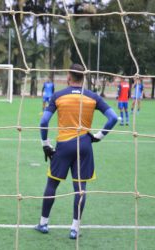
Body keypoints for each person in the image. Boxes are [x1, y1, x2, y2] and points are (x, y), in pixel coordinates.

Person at [36, 63, 118, 239]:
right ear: (84, 77)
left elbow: (43, 122)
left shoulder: (58, 96)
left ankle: (43, 223)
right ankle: (74, 229)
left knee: (52, 185)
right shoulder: (93, 97)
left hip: (64, 146)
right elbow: (113, 118)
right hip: (85, 145)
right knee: (80, 188)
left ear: (68, 76)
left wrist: (45, 144)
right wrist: (99, 136)